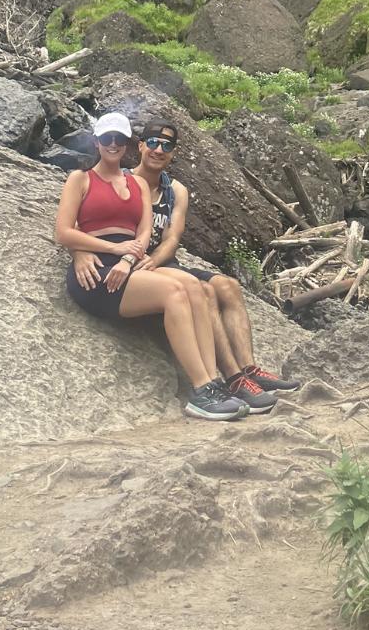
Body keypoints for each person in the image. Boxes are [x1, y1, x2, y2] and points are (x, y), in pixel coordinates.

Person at [56, 111, 249, 422]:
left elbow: (145, 233)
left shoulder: (137, 184)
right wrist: (106, 249)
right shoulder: (80, 179)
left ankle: (213, 384)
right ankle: (200, 391)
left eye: (120, 138)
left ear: (128, 144)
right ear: (97, 142)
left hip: (127, 263)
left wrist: (128, 258)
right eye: (107, 138)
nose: (114, 144)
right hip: (96, 272)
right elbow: (63, 231)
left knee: (194, 287)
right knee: (174, 292)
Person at [130, 118, 301, 411]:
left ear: (173, 153)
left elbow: (173, 237)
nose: (159, 150)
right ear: (141, 146)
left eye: (167, 146)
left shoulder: (176, 191)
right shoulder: (124, 182)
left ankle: (249, 370)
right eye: (154, 143)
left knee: (228, 286)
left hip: (163, 262)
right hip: (145, 270)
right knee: (204, 291)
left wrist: (155, 260)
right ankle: (234, 379)